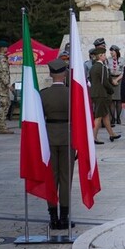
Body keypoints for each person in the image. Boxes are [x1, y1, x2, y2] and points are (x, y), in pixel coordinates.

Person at [40, 59, 75, 229]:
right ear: (65, 73)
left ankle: (53, 216)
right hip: (68, 136)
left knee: (51, 178)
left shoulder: (43, 94)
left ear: (50, 74)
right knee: (65, 178)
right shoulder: (72, 94)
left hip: (49, 137)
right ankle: (64, 217)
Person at [90, 47, 119, 144]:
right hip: (101, 94)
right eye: (104, 55)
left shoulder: (93, 67)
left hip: (95, 93)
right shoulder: (102, 67)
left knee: (105, 114)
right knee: (99, 116)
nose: (105, 56)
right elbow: (104, 82)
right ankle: (93, 137)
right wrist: (111, 90)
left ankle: (111, 134)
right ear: (100, 56)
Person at [107, 45, 125, 124]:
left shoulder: (122, 60)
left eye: (113, 51)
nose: (111, 53)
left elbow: (124, 71)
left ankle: (118, 118)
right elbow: (107, 71)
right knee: (112, 100)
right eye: (110, 51)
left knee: (119, 100)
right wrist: (112, 80)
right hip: (111, 79)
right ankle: (112, 118)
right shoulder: (108, 60)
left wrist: (117, 80)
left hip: (119, 79)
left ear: (116, 51)